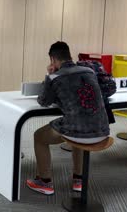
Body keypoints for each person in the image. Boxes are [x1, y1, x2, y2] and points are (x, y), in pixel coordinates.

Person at [26, 41, 110, 195]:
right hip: (102, 131)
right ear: (69, 55)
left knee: (39, 136)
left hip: (78, 133)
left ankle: (44, 182)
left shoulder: (55, 77)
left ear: (52, 59)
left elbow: (43, 101)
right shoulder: (89, 71)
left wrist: (48, 75)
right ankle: (79, 179)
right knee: (79, 129)